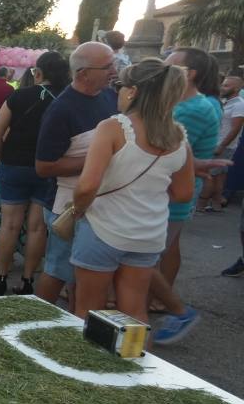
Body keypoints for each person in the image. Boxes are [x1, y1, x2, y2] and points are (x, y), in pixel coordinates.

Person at [71, 60, 194, 334]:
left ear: (133, 91)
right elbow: (184, 192)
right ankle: (132, 371)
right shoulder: (178, 136)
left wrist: (78, 208)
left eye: (120, 86)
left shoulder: (114, 127)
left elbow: (87, 185)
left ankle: (85, 371)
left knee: (88, 309)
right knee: (135, 313)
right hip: (148, 234)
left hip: (104, 228)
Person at [147, 47, 221, 344]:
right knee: (148, 255)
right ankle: (159, 309)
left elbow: (159, 150)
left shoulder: (191, 110)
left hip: (168, 197)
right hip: (166, 195)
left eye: (169, 66)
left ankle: (175, 311)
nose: (162, 70)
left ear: (189, 75)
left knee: (140, 258)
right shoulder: (189, 106)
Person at [35, 42, 118, 309]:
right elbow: (44, 167)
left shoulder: (108, 97)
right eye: (107, 66)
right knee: (58, 269)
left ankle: (75, 322)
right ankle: (29, 322)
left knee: (82, 274)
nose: (113, 71)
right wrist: (100, 157)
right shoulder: (61, 110)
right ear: (83, 73)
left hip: (98, 202)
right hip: (66, 205)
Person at [0, 52, 70, 296]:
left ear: (38, 72)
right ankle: (27, 280)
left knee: (10, 224)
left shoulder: (19, 96)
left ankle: (1, 278)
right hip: (48, 168)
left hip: (14, 164)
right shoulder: (66, 100)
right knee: (37, 228)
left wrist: (2, 156)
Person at [199, 72, 243, 212]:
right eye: (222, 85)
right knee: (218, 176)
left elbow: (236, 128)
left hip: (223, 145)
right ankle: (217, 204)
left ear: (236, 89)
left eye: (226, 86)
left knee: (210, 175)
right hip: (219, 143)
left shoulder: (239, 105)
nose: (222, 88)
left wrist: (222, 145)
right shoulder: (225, 101)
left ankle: (201, 205)